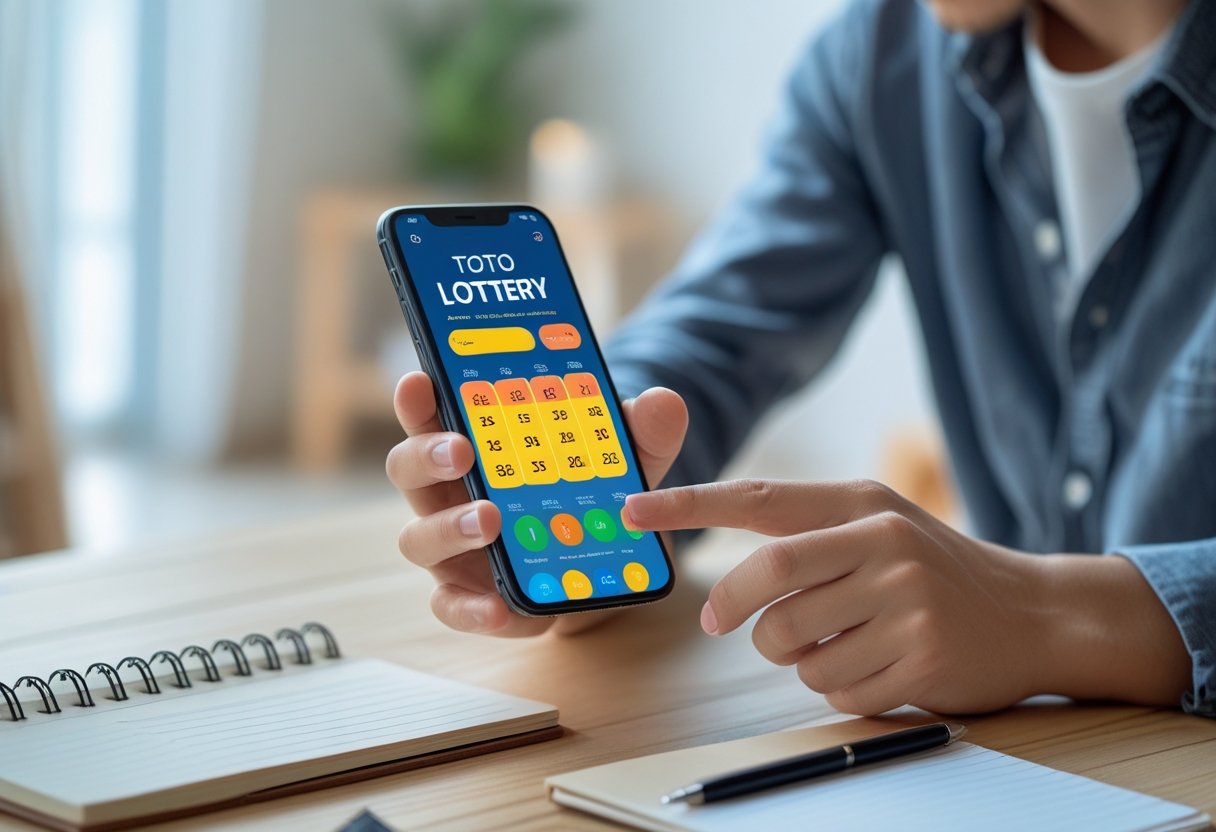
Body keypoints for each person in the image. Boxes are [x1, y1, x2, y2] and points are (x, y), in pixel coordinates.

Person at [386, 0, 1215, 718]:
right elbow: (717, 330)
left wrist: (1042, 617)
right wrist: (594, 483)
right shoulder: (884, 51)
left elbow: (1032, 618)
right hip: (1034, 754)